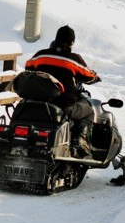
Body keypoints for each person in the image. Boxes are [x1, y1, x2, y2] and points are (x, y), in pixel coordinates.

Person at [25, 25, 100, 158]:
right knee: (89, 110)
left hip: (37, 101)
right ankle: (79, 142)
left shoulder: (40, 55)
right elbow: (88, 76)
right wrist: (96, 77)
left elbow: (28, 68)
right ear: (71, 42)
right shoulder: (74, 59)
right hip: (63, 103)